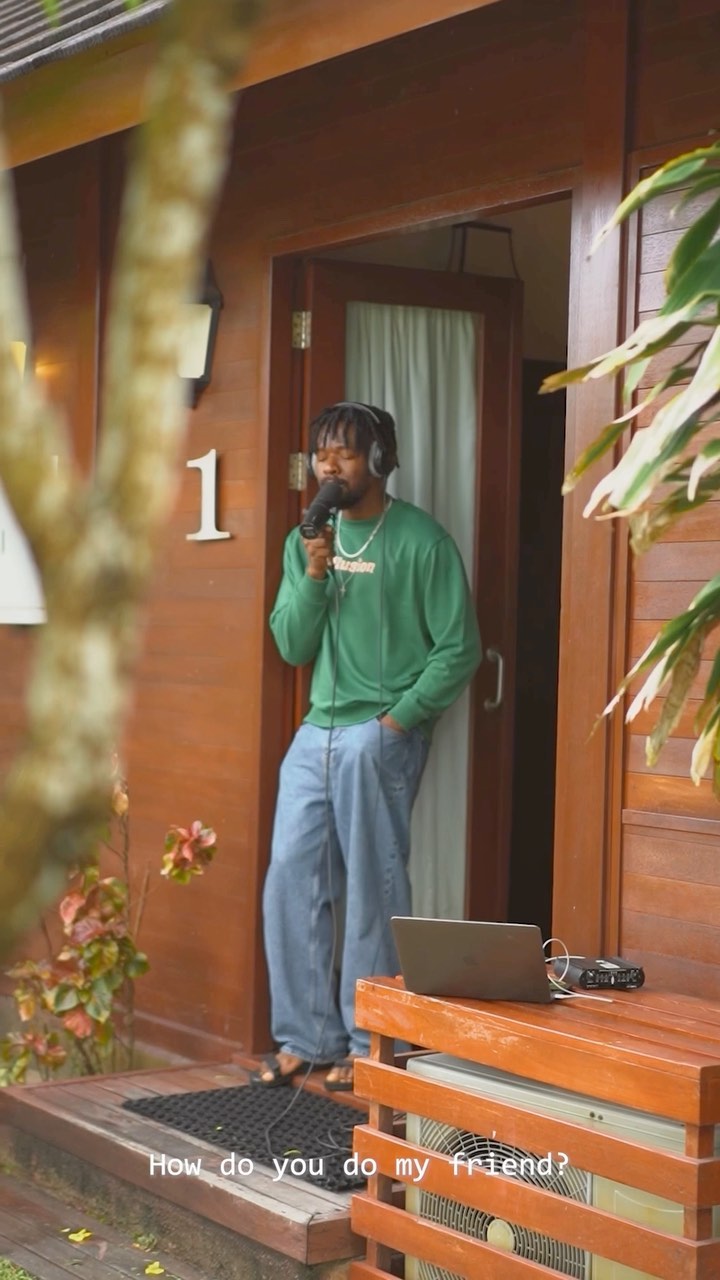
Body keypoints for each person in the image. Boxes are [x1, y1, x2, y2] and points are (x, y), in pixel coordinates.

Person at [255, 401, 481, 1091]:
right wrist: (314, 574)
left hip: (377, 735)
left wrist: (397, 721)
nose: (329, 466)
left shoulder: (422, 542)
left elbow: (459, 649)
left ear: (380, 461)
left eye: (345, 453)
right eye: (321, 453)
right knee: (290, 879)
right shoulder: (308, 543)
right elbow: (292, 644)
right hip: (316, 732)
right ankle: (306, 1040)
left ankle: (369, 1044)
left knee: (371, 887)